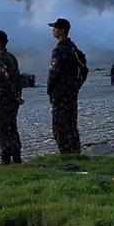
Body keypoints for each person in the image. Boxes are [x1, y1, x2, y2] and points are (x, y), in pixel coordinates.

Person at [47, 17, 88, 155]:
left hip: (60, 93)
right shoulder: (74, 48)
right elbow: (84, 70)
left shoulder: (60, 50)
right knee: (71, 124)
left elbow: (54, 74)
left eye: (55, 28)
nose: (53, 30)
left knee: (60, 126)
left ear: (62, 30)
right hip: (71, 92)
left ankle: (66, 154)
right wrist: (76, 86)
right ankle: (76, 152)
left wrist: (50, 91)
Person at [0, 29, 24, 164]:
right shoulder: (11, 56)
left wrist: (15, 96)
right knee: (12, 126)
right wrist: (18, 95)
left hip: (4, 98)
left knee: (1, 127)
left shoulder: (1, 58)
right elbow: (16, 79)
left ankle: (6, 157)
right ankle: (16, 155)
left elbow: (5, 79)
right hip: (12, 98)